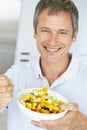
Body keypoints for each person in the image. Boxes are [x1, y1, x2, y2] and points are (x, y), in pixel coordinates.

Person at [0, 0, 87, 130]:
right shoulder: (15, 74)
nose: (53, 41)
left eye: (62, 32)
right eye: (45, 30)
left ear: (74, 35)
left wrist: (82, 123)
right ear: (35, 31)